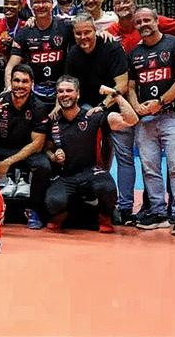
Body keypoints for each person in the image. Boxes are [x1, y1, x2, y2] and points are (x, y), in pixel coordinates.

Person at [127, 7, 175, 235]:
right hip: (145, 119)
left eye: (147, 20)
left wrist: (161, 102)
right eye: (139, 22)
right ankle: (157, 210)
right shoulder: (134, 53)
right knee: (150, 168)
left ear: (157, 21)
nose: (144, 24)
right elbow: (132, 86)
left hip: (173, 116)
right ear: (135, 26)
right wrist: (135, 105)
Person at [43, 76, 139, 232]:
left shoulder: (92, 115)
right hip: (67, 175)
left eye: (69, 90)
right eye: (60, 91)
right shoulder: (53, 121)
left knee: (107, 189)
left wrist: (116, 95)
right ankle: (66, 212)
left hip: (92, 171)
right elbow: (46, 148)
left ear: (78, 94)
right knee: (53, 202)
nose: (64, 94)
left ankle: (104, 217)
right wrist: (53, 155)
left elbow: (132, 120)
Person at [0, 64, 51, 229]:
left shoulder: (39, 107)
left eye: (25, 81)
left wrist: (8, 163)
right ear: (10, 82)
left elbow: (37, 144)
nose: (20, 85)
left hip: (28, 150)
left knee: (44, 166)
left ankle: (34, 210)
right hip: (1, 148)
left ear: (32, 84)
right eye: (16, 80)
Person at [4, 0, 73, 103]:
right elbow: (11, 66)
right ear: (31, 6)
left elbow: (86, 30)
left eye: (45, 1)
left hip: (62, 91)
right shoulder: (24, 32)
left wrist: (101, 33)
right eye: (36, 2)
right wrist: (9, 88)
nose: (41, 5)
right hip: (34, 93)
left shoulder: (66, 27)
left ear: (52, 4)